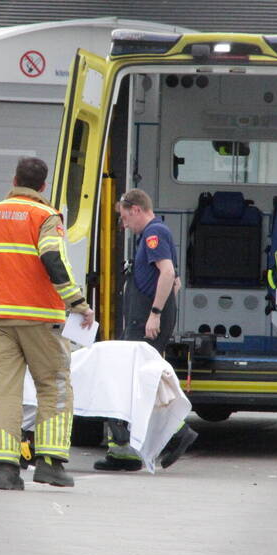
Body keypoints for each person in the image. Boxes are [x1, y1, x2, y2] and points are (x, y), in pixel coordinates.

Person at [0, 156, 94, 491]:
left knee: (2, 391)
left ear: (14, 179)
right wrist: (77, 303)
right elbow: (53, 259)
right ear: (43, 186)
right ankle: (50, 463)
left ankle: (5, 468)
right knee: (54, 384)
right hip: (40, 318)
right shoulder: (46, 216)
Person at [94, 188, 197, 472]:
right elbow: (171, 276)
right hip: (143, 320)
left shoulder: (154, 234)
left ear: (136, 209)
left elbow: (166, 272)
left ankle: (175, 433)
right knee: (135, 382)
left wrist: (155, 314)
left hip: (145, 322)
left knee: (133, 382)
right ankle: (124, 450)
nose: (124, 224)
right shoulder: (153, 234)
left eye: (125, 217)